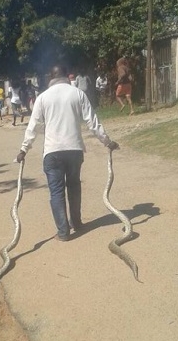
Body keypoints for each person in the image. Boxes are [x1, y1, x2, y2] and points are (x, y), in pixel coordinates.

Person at [16, 65, 119, 242]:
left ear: (51, 77)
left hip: (52, 152)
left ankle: (63, 232)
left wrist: (23, 149)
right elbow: (92, 121)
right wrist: (107, 142)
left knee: (56, 192)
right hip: (74, 150)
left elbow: (32, 127)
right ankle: (77, 222)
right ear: (66, 76)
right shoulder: (77, 93)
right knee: (74, 186)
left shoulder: (43, 97)